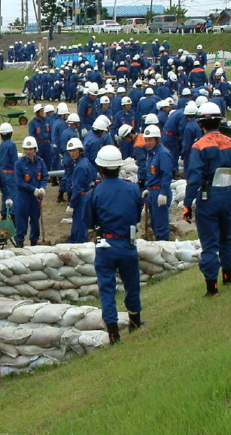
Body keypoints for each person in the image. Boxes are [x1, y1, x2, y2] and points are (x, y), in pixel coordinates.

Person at [183, 102, 231, 297]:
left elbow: (193, 179)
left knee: (209, 244)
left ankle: (212, 287)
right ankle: (228, 277)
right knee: (227, 238)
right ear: (219, 121)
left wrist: (186, 205)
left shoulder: (199, 146)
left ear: (201, 123)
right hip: (228, 194)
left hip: (208, 196)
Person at [84, 145, 143, 344]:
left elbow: (89, 222)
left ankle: (113, 333)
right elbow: (137, 216)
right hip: (127, 242)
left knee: (107, 288)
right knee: (132, 284)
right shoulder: (133, 189)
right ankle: (135, 322)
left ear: (100, 168)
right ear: (119, 167)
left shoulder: (94, 193)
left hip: (105, 244)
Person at [13, 136, 49, 247]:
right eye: (26, 149)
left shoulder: (40, 162)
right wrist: (33, 189)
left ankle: (34, 242)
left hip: (35, 198)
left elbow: (45, 176)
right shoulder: (19, 164)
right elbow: (19, 182)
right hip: (23, 197)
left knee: (35, 220)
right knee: (21, 221)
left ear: (35, 149)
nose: (28, 152)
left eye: (30, 149)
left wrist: (43, 187)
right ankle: (20, 243)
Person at [143, 124, 173, 241]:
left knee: (161, 226)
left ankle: (164, 248)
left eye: (150, 140)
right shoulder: (151, 153)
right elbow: (151, 173)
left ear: (157, 139)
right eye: (146, 140)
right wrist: (148, 188)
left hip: (160, 192)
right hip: (152, 191)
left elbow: (167, 174)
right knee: (155, 225)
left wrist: (164, 193)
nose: (147, 143)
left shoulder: (163, 153)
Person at [65, 138, 95, 243]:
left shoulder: (80, 167)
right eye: (70, 151)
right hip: (86, 197)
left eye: (74, 150)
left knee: (79, 229)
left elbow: (78, 189)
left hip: (81, 200)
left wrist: (72, 205)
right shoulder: (84, 162)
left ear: (80, 151)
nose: (71, 153)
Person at [0, 123, 18, 221]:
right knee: (12, 194)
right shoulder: (12, 145)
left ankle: (4, 214)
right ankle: (13, 215)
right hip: (10, 173)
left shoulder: (0, 146)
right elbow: (15, 160)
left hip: (2, 173)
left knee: (5, 194)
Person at [118, 123, 147, 190]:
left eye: (125, 138)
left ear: (130, 135)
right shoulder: (141, 136)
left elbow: (142, 165)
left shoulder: (138, 145)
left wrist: (141, 180)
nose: (126, 141)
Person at [28, 104, 53, 170]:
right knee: (38, 161)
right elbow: (32, 135)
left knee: (48, 161)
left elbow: (50, 132)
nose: (43, 113)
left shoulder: (47, 120)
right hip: (39, 144)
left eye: (43, 111)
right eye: (41, 111)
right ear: (37, 113)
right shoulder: (33, 123)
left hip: (47, 144)